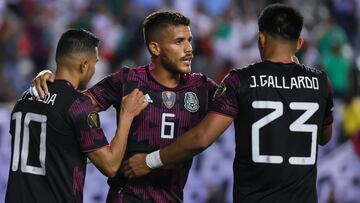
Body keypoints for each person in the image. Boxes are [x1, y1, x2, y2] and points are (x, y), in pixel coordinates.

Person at [122, 4, 334, 203]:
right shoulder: (320, 82)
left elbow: (202, 138)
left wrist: (150, 160)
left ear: (261, 39)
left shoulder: (240, 81)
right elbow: (324, 136)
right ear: (299, 44)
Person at [31, 11, 218, 202]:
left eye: (189, 40)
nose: (189, 49)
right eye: (179, 42)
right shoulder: (127, 80)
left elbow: (238, 103)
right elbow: (71, 105)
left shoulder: (202, 87)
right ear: (155, 48)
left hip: (173, 198)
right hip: (126, 197)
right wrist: (53, 78)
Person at [5, 29, 148, 203]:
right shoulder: (77, 105)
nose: (95, 69)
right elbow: (110, 166)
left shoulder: (25, 98)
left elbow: (56, 145)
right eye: (95, 63)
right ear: (84, 65)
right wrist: (127, 115)